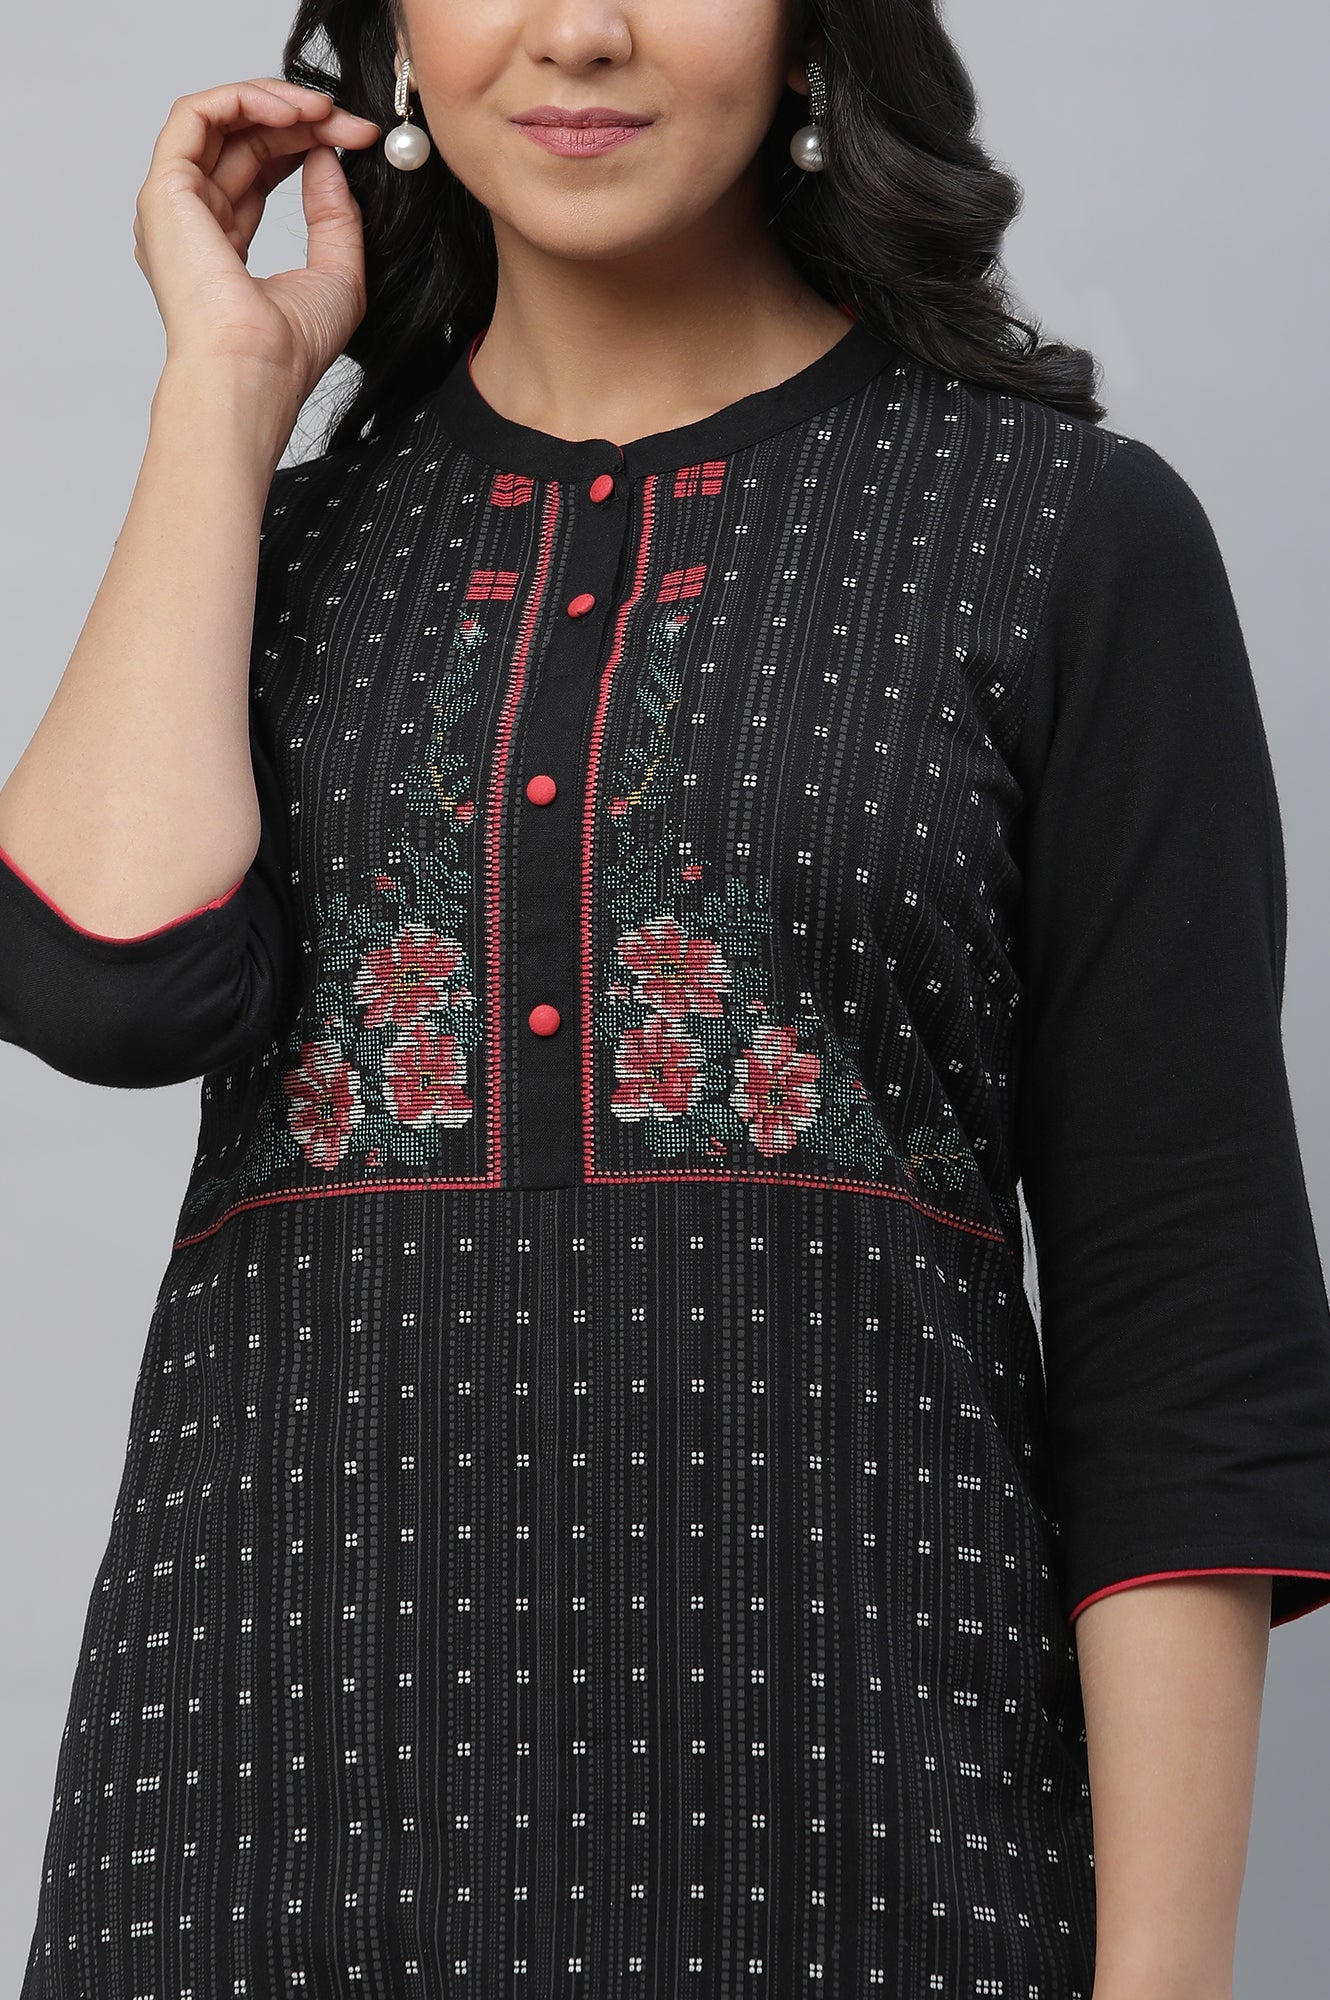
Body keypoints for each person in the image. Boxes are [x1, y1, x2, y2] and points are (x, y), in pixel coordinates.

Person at [4, 4, 1330, 1995]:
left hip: (871, 1879)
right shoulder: (275, 545)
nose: (581, 28)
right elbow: (104, 979)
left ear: (813, 34)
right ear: (392, 38)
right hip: (247, 1863)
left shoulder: (1056, 534)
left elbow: (1185, 1343)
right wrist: (224, 391)